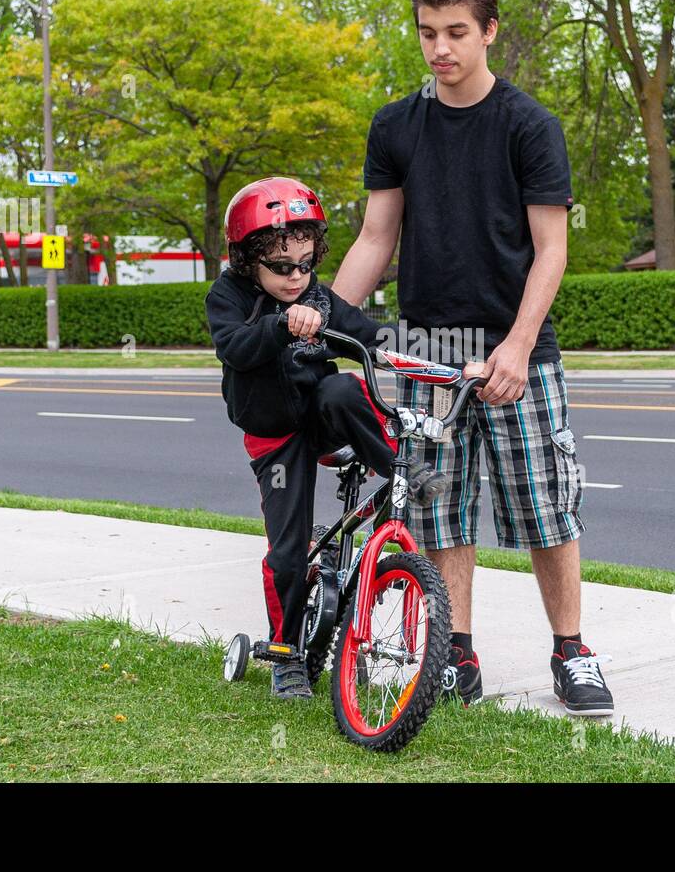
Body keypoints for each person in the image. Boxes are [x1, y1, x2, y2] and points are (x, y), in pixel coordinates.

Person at [331, 0, 614, 716]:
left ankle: (571, 651)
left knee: (547, 509)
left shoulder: (529, 126)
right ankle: (454, 653)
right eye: (427, 33)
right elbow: (375, 237)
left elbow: (551, 249)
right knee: (439, 513)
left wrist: (518, 345)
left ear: (490, 29)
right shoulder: (396, 125)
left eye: (456, 32)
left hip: (518, 350)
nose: (439, 49)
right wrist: (324, 317)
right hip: (428, 351)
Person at [205, 176, 483, 700]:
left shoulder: (318, 298)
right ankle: (287, 655)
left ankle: (405, 468)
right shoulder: (229, 296)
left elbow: (377, 339)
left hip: (320, 418)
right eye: (281, 267)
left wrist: (452, 367)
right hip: (274, 436)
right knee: (288, 549)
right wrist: (283, 325)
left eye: (306, 263)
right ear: (247, 259)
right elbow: (236, 348)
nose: (296, 277)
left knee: (344, 386)